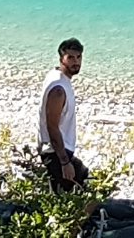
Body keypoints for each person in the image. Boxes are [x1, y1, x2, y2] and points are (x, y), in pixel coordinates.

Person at [35, 38, 87, 192]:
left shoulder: (57, 76)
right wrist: (64, 162)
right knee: (68, 196)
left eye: (78, 57)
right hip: (56, 152)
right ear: (61, 59)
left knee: (82, 175)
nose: (75, 62)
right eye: (70, 57)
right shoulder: (58, 90)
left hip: (60, 150)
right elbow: (52, 126)